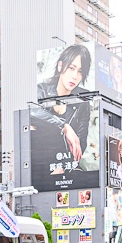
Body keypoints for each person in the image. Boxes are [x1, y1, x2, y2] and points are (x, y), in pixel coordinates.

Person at [30, 45, 94, 180]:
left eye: (80, 71)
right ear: (60, 66)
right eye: (71, 68)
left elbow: (80, 143)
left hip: (64, 170)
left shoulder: (82, 99)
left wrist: (63, 168)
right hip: (38, 169)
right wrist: (64, 127)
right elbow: (33, 112)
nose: (75, 76)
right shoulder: (42, 90)